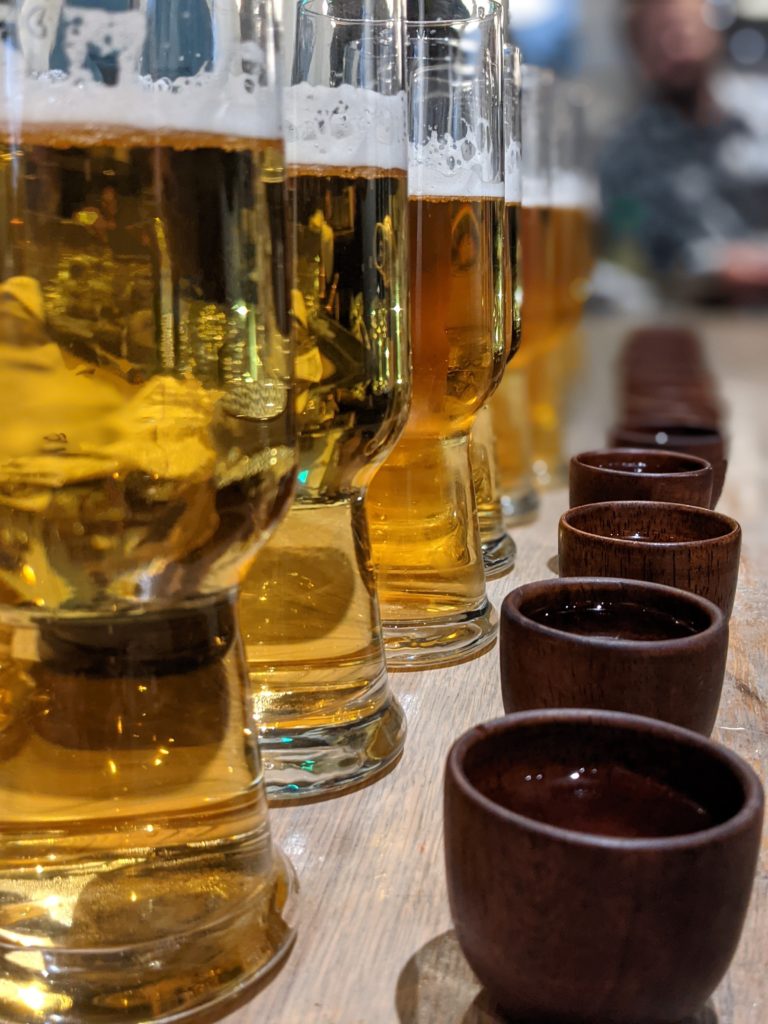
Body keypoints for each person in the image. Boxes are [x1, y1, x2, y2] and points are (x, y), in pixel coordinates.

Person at [600, 0, 768, 303]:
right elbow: (638, 264)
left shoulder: (761, 113)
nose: (675, 45)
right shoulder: (624, 157)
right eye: (658, 33)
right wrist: (721, 270)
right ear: (638, 51)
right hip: (692, 323)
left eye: (684, 27)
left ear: (713, 29)